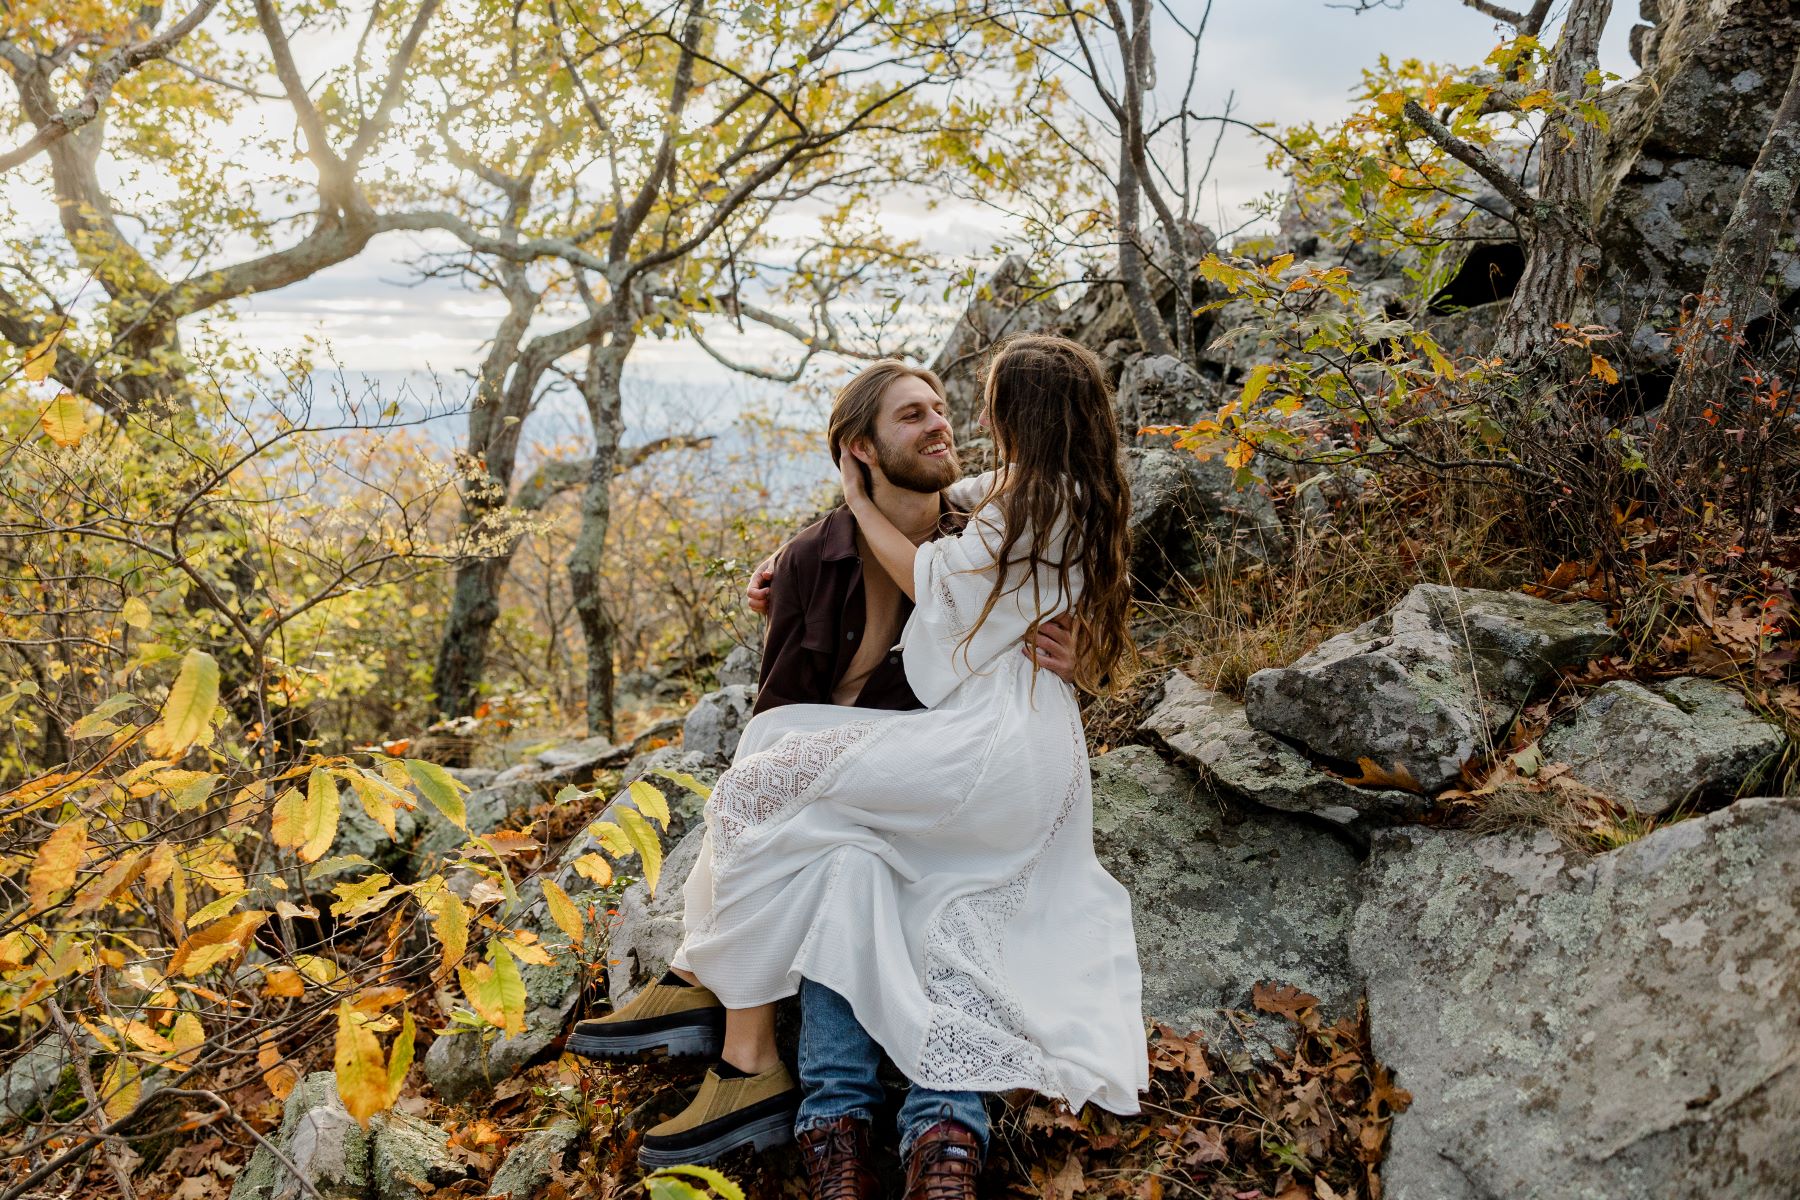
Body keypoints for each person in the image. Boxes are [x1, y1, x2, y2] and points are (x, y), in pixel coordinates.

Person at [574, 339, 1147, 1196]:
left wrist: (851, 498)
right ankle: (779, 1073)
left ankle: (719, 999)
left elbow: (935, 577)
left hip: (986, 748)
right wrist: (807, 541)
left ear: (1019, 415)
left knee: (765, 782)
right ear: (865, 446)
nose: (962, 419)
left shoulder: (1015, 505)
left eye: (971, 404)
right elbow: (951, 520)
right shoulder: (1036, 493)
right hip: (1011, 748)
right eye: (918, 413)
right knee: (823, 827)